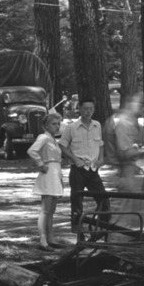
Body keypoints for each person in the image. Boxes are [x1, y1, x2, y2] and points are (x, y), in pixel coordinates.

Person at [63, 97, 111, 235]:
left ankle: (104, 227)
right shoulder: (71, 127)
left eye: (91, 109)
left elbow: (100, 144)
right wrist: (74, 158)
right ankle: (78, 228)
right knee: (77, 200)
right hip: (78, 169)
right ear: (79, 109)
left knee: (104, 199)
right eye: (85, 108)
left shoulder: (97, 125)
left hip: (93, 169)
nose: (88, 111)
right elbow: (62, 146)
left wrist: (101, 159)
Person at [27, 111, 67, 250]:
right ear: (46, 125)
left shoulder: (53, 139)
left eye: (58, 124)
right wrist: (40, 164)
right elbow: (32, 151)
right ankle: (43, 240)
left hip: (55, 173)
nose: (56, 126)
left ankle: (51, 238)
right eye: (53, 124)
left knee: (51, 210)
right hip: (48, 172)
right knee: (45, 209)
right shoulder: (43, 137)